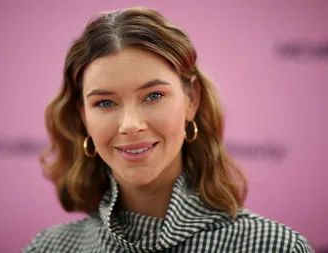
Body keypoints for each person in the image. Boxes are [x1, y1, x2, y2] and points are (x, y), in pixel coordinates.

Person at [22, 7, 314, 253]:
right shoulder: (49, 247)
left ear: (192, 99)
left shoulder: (273, 246)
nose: (130, 125)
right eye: (105, 102)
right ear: (83, 116)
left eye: (153, 96)